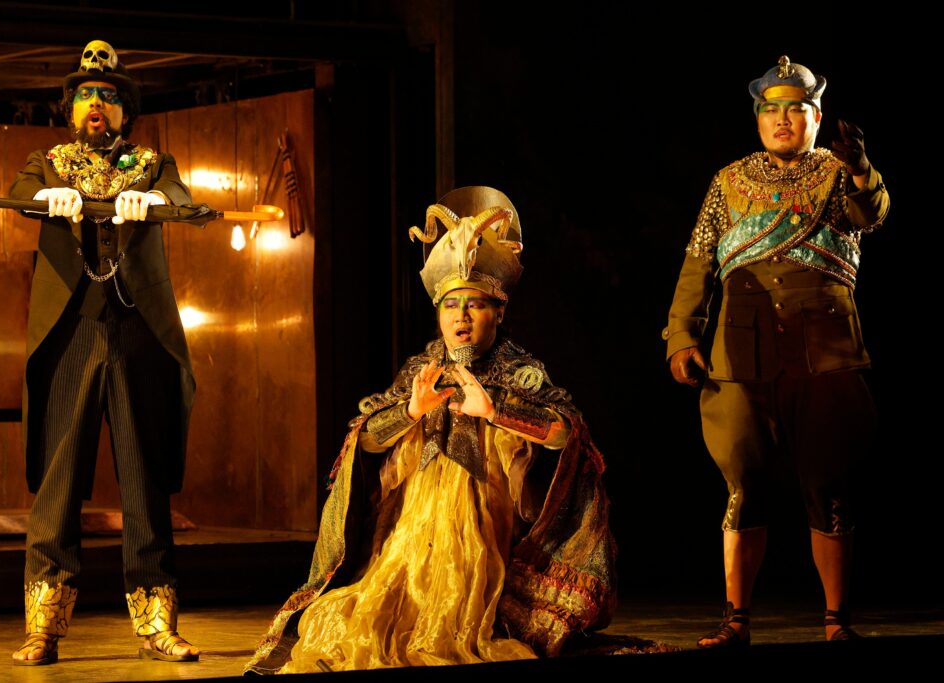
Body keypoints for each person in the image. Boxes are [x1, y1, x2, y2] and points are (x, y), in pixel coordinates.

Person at [245, 187, 616, 674]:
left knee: (458, 622)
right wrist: (411, 411)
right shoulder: (424, 369)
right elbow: (366, 439)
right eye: (451, 305)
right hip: (411, 533)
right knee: (355, 618)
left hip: (488, 529)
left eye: (475, 305)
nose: (461, 316)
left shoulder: (518, 370)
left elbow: (566, 434)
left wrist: (495, 413)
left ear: (499, 312)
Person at [662, 56, 889, 647]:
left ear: (817, 116)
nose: (783, 119)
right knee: (743, 485)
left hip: (826, 354)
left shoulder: (840, 174)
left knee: (828, 485)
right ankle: (735, 620)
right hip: (740, 356)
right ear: (758, 117)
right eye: (771, 109)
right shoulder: (728, 181)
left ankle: (837, 621)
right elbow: (698, 264)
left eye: (796, 108)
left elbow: (872, 214)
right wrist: (682, 336)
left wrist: (860, 167)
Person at [10, 40, 199, 665]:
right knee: (59, 481)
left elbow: (184, 200)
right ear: (70, 108)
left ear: (126, 111)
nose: (98, 104)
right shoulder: (48, 162)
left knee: (144, 478)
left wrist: (157, 202)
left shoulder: (152, 163)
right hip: (72, 330)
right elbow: (18, 191)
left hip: (136, 328)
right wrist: (45, 198)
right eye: (88, 95)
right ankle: (43, 626)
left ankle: (156, 624)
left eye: (110, 96)